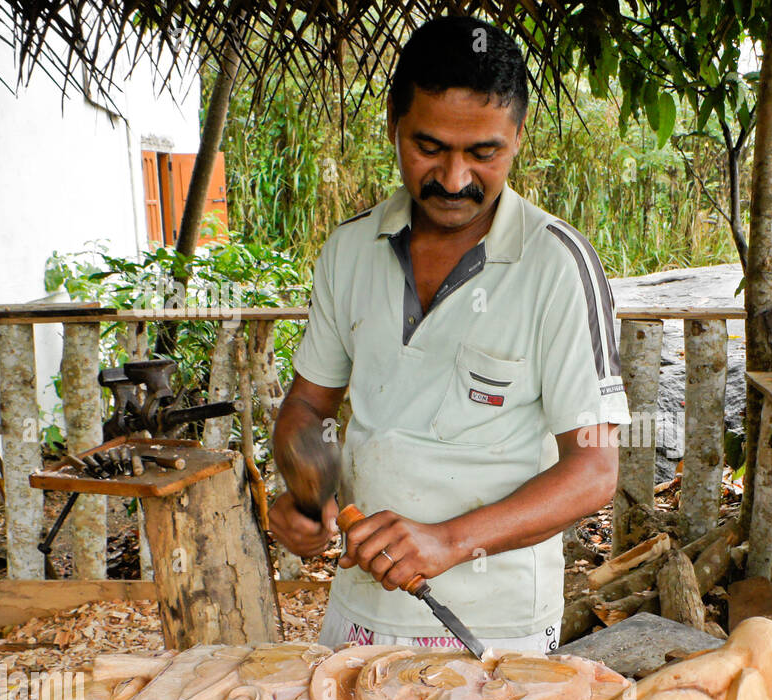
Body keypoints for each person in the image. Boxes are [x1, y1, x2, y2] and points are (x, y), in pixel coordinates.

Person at [268, 16, 629, 655]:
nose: (455, 179)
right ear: (393, 128)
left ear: (517, 137)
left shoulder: (557, 266)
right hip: (358, 614)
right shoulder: (350, 250)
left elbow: (594, 468)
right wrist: (306, 493)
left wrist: (451, 540)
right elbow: (309, 408)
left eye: (483, 152)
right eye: (429, 147)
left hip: (496, 628)